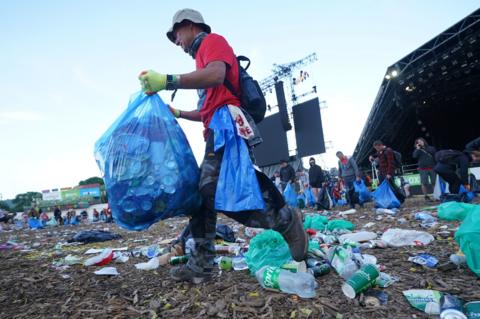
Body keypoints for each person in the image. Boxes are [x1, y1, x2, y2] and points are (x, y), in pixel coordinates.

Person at [138, 8, 307, 284]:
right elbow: (207, 109)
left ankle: (285, 220)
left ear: (190, 25)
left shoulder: (212, 42)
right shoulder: (200, 61)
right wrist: (178, 113)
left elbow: (217, 76)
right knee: (199, 196)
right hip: (216, 127)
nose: (177, 43)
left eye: (176, 35)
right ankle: (201, 265)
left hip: (228, 125)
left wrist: (167, 81)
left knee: (214, 188)